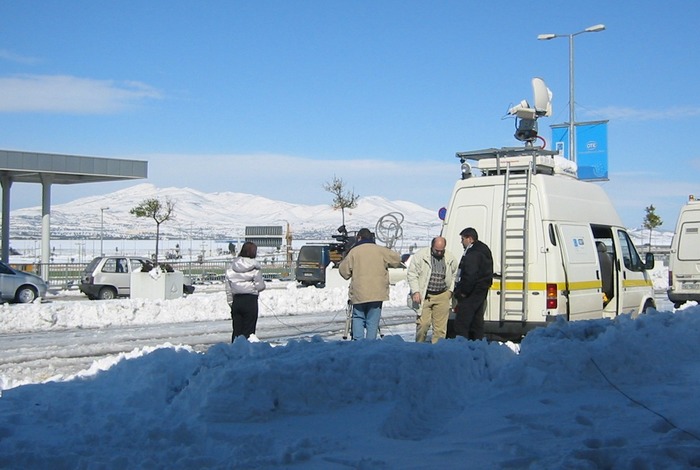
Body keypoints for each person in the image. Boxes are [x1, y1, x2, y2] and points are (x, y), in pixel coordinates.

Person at [339, 228, 403, 340]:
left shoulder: (354, 251)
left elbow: (344, 272)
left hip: (359, 292)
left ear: (359, 237)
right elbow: (397, 259)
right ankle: (370, 344)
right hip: (377, 292)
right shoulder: (381, 250)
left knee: (358, 317)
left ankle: (359, 344)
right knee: (372, 321)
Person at [407, 236, 459, 343]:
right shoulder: (421, 256)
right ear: (432, 247)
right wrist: (416, 291)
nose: (439, 253)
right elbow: (412, 274)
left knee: (440, 329)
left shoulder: (450, 258)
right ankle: (419, 347)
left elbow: (455, 274)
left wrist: (450, 291)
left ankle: (438, 351)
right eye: (437, 250)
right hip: (425, 295)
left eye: (442, 251)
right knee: (423, 324)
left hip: (442, 295)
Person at [453, 227, 493, 340]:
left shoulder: (473, 253)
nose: (461, 242)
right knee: (476, 321)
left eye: (463, 239)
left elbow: (470, 275)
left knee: (462, 322)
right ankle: (477, 345)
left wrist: (463, 293)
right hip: (480, 291)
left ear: (470, 239)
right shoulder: (483, 249)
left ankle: (462, 347)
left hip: (472, 293)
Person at [225, 241, 266, 342]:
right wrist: (253, 287)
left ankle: (234, 351)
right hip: (250, 301)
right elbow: (260, 286)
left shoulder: (231, 268)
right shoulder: (255, 269)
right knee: (249, 331)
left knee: (236, 331)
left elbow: (228, 289)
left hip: (237, 301)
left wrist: (231, 303)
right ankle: (247, 353)